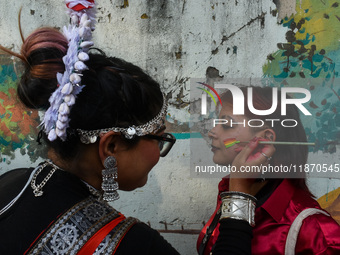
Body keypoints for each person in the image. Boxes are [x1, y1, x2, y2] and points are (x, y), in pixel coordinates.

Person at [0, 1, 263, 254]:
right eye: (160, 138)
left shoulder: (13, 182)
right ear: (111, 146)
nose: (160, 151)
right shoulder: (131, 245)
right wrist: (238, 196)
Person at [197, 86, 340, 254]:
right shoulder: (230, 190)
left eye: (227, 125)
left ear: (265, 139)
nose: (212, 132)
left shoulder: (315, 232)